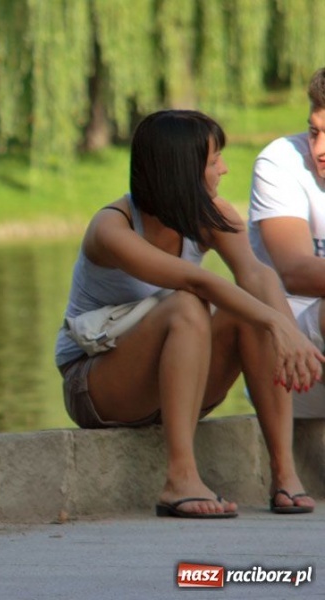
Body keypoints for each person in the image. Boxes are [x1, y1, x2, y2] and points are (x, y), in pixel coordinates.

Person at [54, 109, 321, 517]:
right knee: (188, 304)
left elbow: (257, 275)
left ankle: (285, 474)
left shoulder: (213, 216)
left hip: (180, 381)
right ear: (183, 170)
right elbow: (197, 283)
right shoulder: (112, 229)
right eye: (214, 161)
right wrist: (278, 325)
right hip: (97, 386)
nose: (225, 169)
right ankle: (180, 478)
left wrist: (286, 331)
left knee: (247, 309)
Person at [248, 67, 325, 419]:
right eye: (314, 131)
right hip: (294, 361)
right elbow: (295, 272)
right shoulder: (280, 163)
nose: (319, 149)